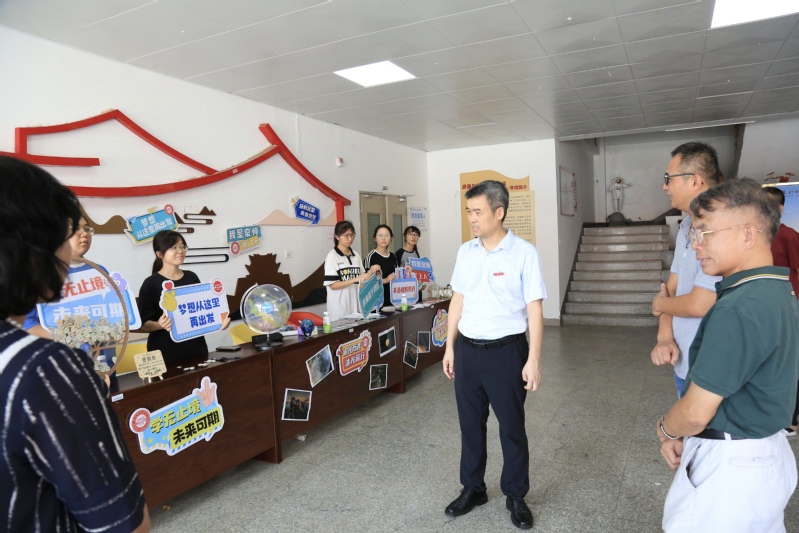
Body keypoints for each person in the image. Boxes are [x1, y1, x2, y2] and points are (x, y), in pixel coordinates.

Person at [0, 156, 150, 532]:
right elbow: (123, 521)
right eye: (64, 234)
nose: (72, 246)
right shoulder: (46, 368)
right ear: (32, 249)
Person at [658, 178, 799, 532]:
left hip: (732, 469)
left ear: (748, 234)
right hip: (767, 453)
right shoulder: (778, 291)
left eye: (705, 233)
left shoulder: (738, 308)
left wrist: (667, 430)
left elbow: (695, 413)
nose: (696, 244)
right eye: (694, 234)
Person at [442, 180, 546, 530]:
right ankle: (473, 488)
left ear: (498, 212)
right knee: (470, 425)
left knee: (511, 428)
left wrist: (533, 359)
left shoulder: (524, 253)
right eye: (468, 211)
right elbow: (458, 299)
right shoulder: (466, 251)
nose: (471, 218)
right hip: (468, 351)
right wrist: (450, 346)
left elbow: (534, 309)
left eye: (478, 211)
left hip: (507, 353)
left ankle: (515, 495)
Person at [651, 142, 722, 397]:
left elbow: (699, 304)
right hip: (684, 363)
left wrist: (659, 304)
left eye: (668, 178)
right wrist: (664, 337)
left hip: (713, 369)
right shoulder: (685, 228)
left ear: (695, 180)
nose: (664, 186)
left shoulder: (720, 229)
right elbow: (670, 288)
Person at [23, 216, 116, 368]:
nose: (84, 234)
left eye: (87, 228)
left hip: (104, 364)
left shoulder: (100, 272)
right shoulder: (42, 275)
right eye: (75, 228)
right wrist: (64, 337)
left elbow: (114, 314)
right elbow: (27, 324)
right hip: (64, 366)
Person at [137, 230, 230, 364]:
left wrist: (220, 323)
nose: (180, 251)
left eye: (182, 246)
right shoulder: (150, 284)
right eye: (173, 247)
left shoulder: (191, 277)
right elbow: (144, 323)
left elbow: (202, 310)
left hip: (196, 348)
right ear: (159, 254)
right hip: (165, 351)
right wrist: (159, 325)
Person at [763, 186, 799, 436]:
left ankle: (790, 421)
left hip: (790, 310)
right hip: (766, 308)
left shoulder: (789, 236)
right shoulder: (758, 236)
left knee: (790, 365)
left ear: (780, 209)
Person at [323, 220, 379, 321]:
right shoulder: (332, 256)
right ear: (337, 236)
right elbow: (333, 285)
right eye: (346, 235)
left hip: (356, 306)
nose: (350, 238)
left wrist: (371, 271)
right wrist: (355, 279)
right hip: (339, 309)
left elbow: (362, 278)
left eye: (352, 235)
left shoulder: (355, 255)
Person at [363, 224, 399, 309]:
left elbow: (397, 275)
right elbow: (367, 282)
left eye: (387, 235)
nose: (383, 238)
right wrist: (386, 280)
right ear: (375, 238)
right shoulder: (371, 257)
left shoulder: (393, 256)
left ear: (391, 238)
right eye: (380, 235)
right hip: (377, 302)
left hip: (393, 300)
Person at [396, 225, 425, 301]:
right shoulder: (399, 253)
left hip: (416, 292)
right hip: (405, 292)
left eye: (416, 235)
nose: (413, 237)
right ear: (405, 236)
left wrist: (421, 284)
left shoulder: (416, 253)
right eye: (410, 234)